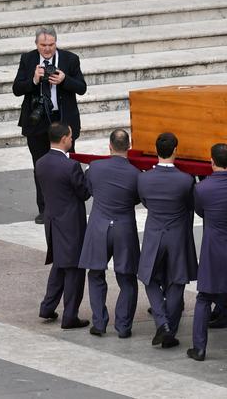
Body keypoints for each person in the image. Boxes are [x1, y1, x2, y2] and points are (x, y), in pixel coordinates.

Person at [13, 25, 87, 225]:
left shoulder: (70, 59)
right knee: (40, 165)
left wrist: (64, 80)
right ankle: (44, 209)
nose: (47, 49)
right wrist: (34, 80)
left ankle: (70, 204)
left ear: (56, 42)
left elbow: (82, 88)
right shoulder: (28, 59)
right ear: (36, 44)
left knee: (67, 164)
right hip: (37, 121)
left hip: (62, 119)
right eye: (43, 45)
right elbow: (17, 89)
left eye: (51, 45)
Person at [187, 143, 227, 361]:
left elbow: (200, 211)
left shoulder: (201, 189)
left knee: (204, 297)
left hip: (214, 247)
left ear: (211, 161)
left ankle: (199, 347)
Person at [78, 129, 141, 338]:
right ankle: (123, 326)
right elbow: (137, 199)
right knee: (127, 278)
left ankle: (99, 323)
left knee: (96, 274)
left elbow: (90, 190)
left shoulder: (95, 168)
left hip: (99, 226)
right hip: (124, 228)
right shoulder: (135, 173)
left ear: (109, 146)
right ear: (129, 147)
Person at [137, 133, 197, 349]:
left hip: (155, 232)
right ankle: (168, 327)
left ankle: (162, 324)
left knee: (149, 278)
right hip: (177, 234)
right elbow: (192, 205)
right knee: (177, 280)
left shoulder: (143, 178)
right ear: (175, 151)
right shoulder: (185, 180)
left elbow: (144, 201)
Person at [36, 122, 91, 329]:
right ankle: (70, 316)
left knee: (59, 265)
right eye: (70, 136)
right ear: (63, 139)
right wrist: (88, 174)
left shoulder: (41, 163)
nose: (71, 139)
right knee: (74, 270)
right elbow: (84, 193)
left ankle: (47, 307)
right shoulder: (71, 166)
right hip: (71, 224)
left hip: (52, 221)